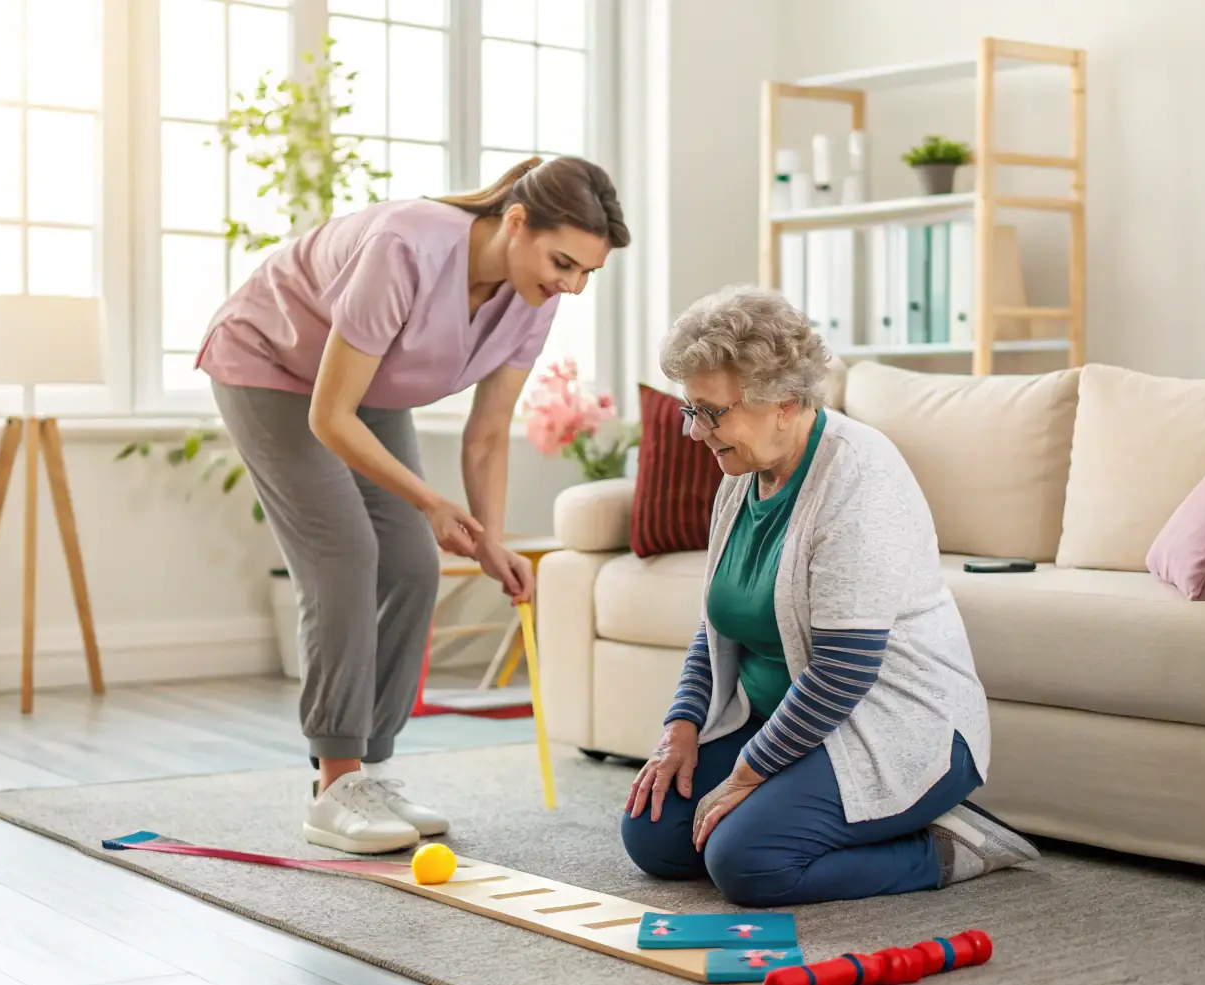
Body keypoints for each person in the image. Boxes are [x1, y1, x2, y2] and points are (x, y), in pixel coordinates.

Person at [195, 155, 630, 855]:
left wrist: (489, 542)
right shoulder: (405, 248)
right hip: (271, 369)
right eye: (563, 262)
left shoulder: (532, 300)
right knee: (343, 557)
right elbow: (329, 414)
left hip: (367, 391)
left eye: (586, 273)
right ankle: (334, 786)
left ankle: (374, 770)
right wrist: (432, 502)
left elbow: (488, 435)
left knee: (410, 565)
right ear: (515, 222)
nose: (571, 286)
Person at [619, 285, 1039, 907]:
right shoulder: (739, 475)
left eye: (709, 412)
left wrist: (745, 776)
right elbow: (717, 625)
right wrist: (680, 728)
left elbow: (845, 670)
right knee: (654, 836)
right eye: (691, 409)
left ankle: (951, 845)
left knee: (747, 863)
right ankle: (814, 817)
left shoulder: (857, 478)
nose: (693, 431)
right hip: (790, 726)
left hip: (893, 727)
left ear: (783, 401)